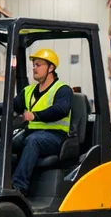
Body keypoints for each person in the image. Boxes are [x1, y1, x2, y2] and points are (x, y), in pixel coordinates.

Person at [10, 48, 72, 193]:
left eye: (38, 65)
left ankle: (18, 187)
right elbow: (11, 105)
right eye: (34, 65)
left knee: (34, 141)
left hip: (56, 137)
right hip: (32, 133)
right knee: (5, 141)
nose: (34, 68)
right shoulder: (28, 91)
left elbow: (61, 110)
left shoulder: (62, 89)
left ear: (51, 68)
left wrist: (35, 115)